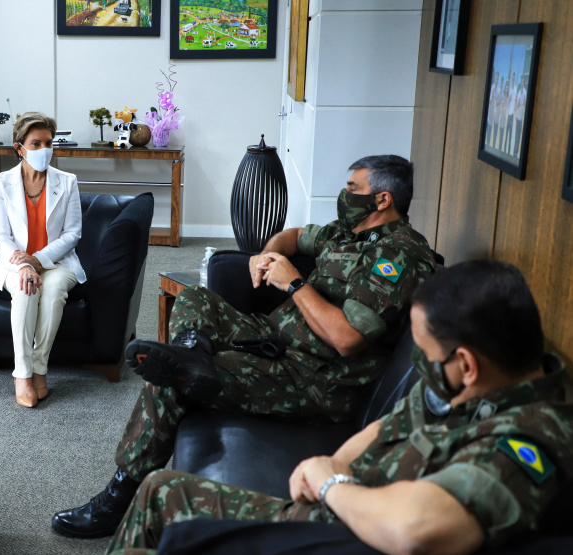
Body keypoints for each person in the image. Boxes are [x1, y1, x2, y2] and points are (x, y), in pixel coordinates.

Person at [51, 155, 436, 538]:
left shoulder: (398, 255)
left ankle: (115, 501)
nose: (344, 194)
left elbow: (347, 338)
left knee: (171, 382)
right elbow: (294, 236)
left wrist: (295, 284)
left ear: (383, 199)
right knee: (196, 299)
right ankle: (192, 352)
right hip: (276, 336)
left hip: (315, 378)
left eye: (354, 188)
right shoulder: (346, 231)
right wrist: (266, 254)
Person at [106, 260, 573, 555]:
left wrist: (331, 484)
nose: (419, 365)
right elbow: (392, 423)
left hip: (345, 535)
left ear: (466, 364)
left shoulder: (529, 438)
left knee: (165, 515)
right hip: (330, 507)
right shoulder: (468, 387)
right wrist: (329, 464)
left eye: (425, 354)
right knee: (160, 490)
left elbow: (416, 529)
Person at [0, 112, 85, 408]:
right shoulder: (1, 183)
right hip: (14, 263)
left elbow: (73, 234)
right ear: (19, 148)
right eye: (36, 143)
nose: (44, 149)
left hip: (57, 262)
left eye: (48, 143)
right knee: (25, 288)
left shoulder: (67, 182)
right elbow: (1, 237)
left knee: (53, 291)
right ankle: (23, 374)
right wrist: (26, 265)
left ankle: (40, 369)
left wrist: (39, 259)